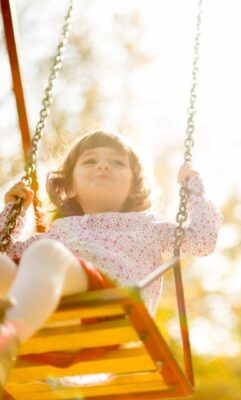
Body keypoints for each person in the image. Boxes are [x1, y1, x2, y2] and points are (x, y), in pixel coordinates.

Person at [0, 130, 222, 392]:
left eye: (117, 162)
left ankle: (6, 341)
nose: (103, 165)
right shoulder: (58, 232)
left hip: (111, 312)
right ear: (69, 185)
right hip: (46, 323)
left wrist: (193, 186)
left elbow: (203, 238)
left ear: (134, 186)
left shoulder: (148, 226)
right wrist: (13, 211)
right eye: (90, 161)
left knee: (46, 253)